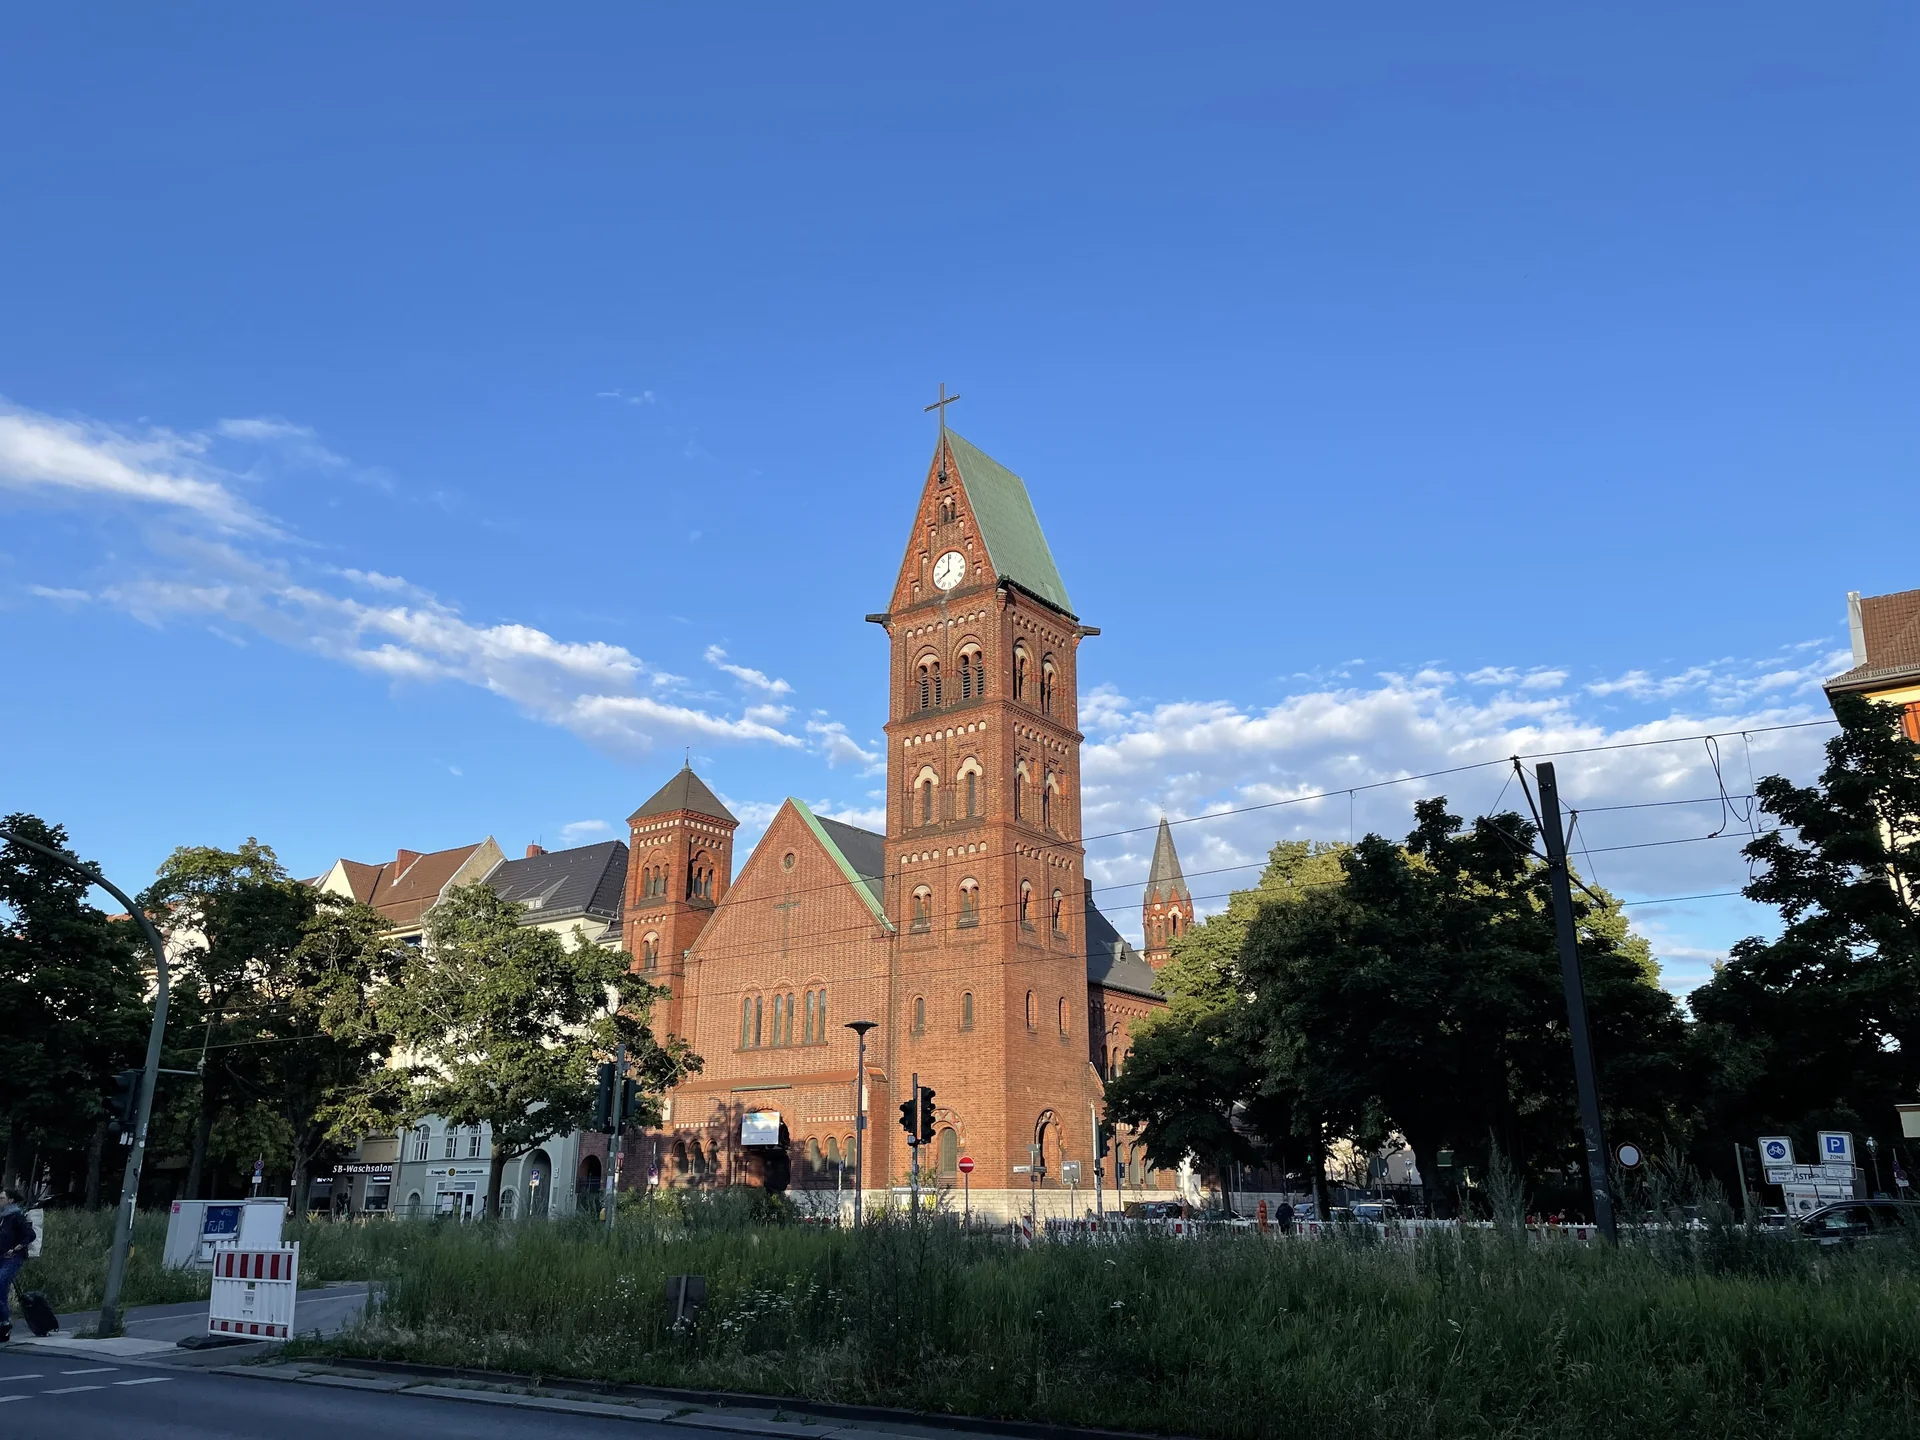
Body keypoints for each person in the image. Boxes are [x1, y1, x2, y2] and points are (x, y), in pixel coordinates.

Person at [0, 1187, 36, 1343]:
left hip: (13, 1257)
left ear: (10, 1200)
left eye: (2, 1198)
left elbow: (30, 1235)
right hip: (1, 1256)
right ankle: (3, 1324)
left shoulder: (16, 1216)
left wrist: (16, 1248)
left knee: (1, 1281)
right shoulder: (2, 1217)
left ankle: (5, 1322)